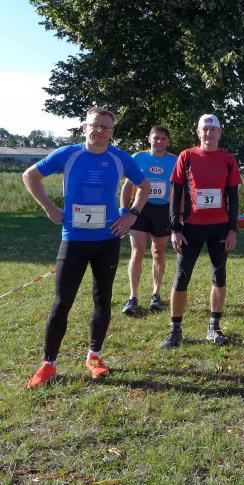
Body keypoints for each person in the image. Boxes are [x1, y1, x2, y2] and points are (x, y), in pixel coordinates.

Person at [23, 107, 150, 388]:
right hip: (74, 240)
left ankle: (94, 357)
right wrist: (49, 208)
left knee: (103, 300)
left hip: (107, 241)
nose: (100, 131)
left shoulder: (119, 157)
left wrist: (132, 214)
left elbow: (144, 186)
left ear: (112, 132)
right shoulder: (68, 154)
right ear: (84, 127)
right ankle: (48, 364)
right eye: (95, 125)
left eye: (106, 127)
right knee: (62, 302)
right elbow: (30, 176)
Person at [160, 114, 241, 348]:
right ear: (198, 132)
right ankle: (175, 330)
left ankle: (214, 327)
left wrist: (233, 230)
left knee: (219, 276)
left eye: (213, 129)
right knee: (181, 277)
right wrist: (175, 229)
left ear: (220, 133)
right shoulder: (186, 156)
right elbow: (175, 194)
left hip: (220, 228)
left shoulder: (228, 159)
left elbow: (234, 198)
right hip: (191, 228)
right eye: (204, 129)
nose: (209, 133)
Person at [120, 124, 178, 316]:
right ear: (149, 139)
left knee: (158, 253)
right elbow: (127, 186)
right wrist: (123, 210)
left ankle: (156, 294)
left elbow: (180, 189)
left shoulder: (175, 160)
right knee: (137, 251)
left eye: (163, 138)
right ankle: (133, 296)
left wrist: (178, 213)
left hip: (163, 210)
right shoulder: (138, 157)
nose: (159, 141)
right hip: (140, 209)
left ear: (168, 141)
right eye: (156, 138)